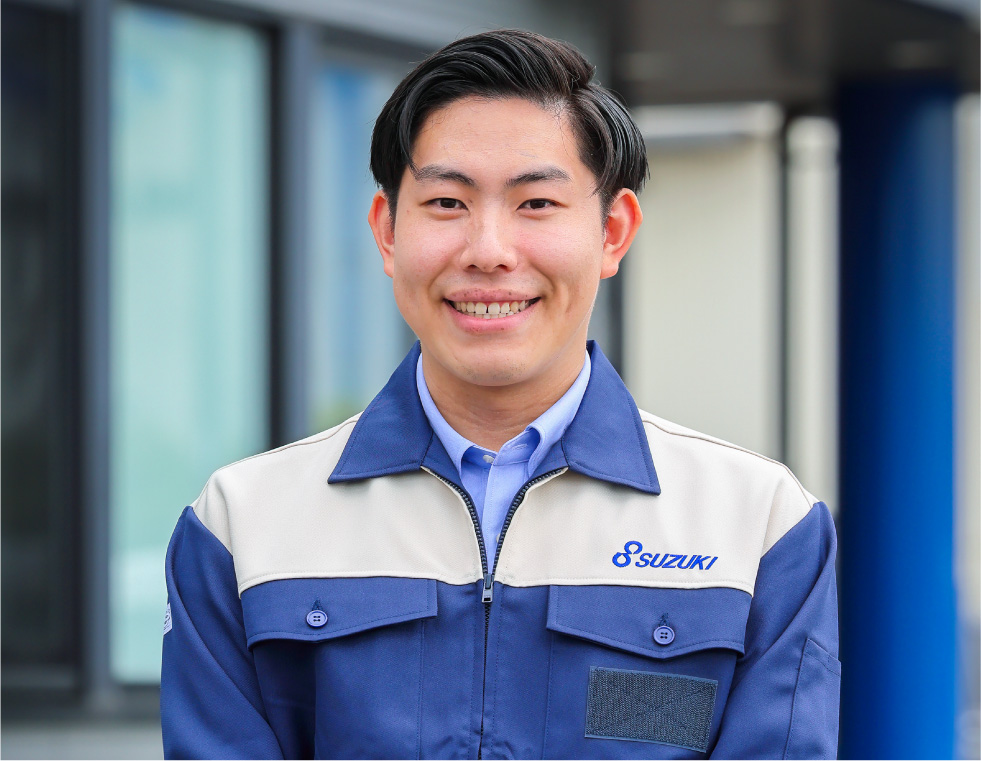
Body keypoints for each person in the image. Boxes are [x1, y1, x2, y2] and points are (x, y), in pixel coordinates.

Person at [161, 29, 840, 760]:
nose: (488, 250)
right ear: (387, 232)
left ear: (612, 232)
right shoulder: (242, 525)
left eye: (536, 202)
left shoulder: (755, 525)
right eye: (447, 202)